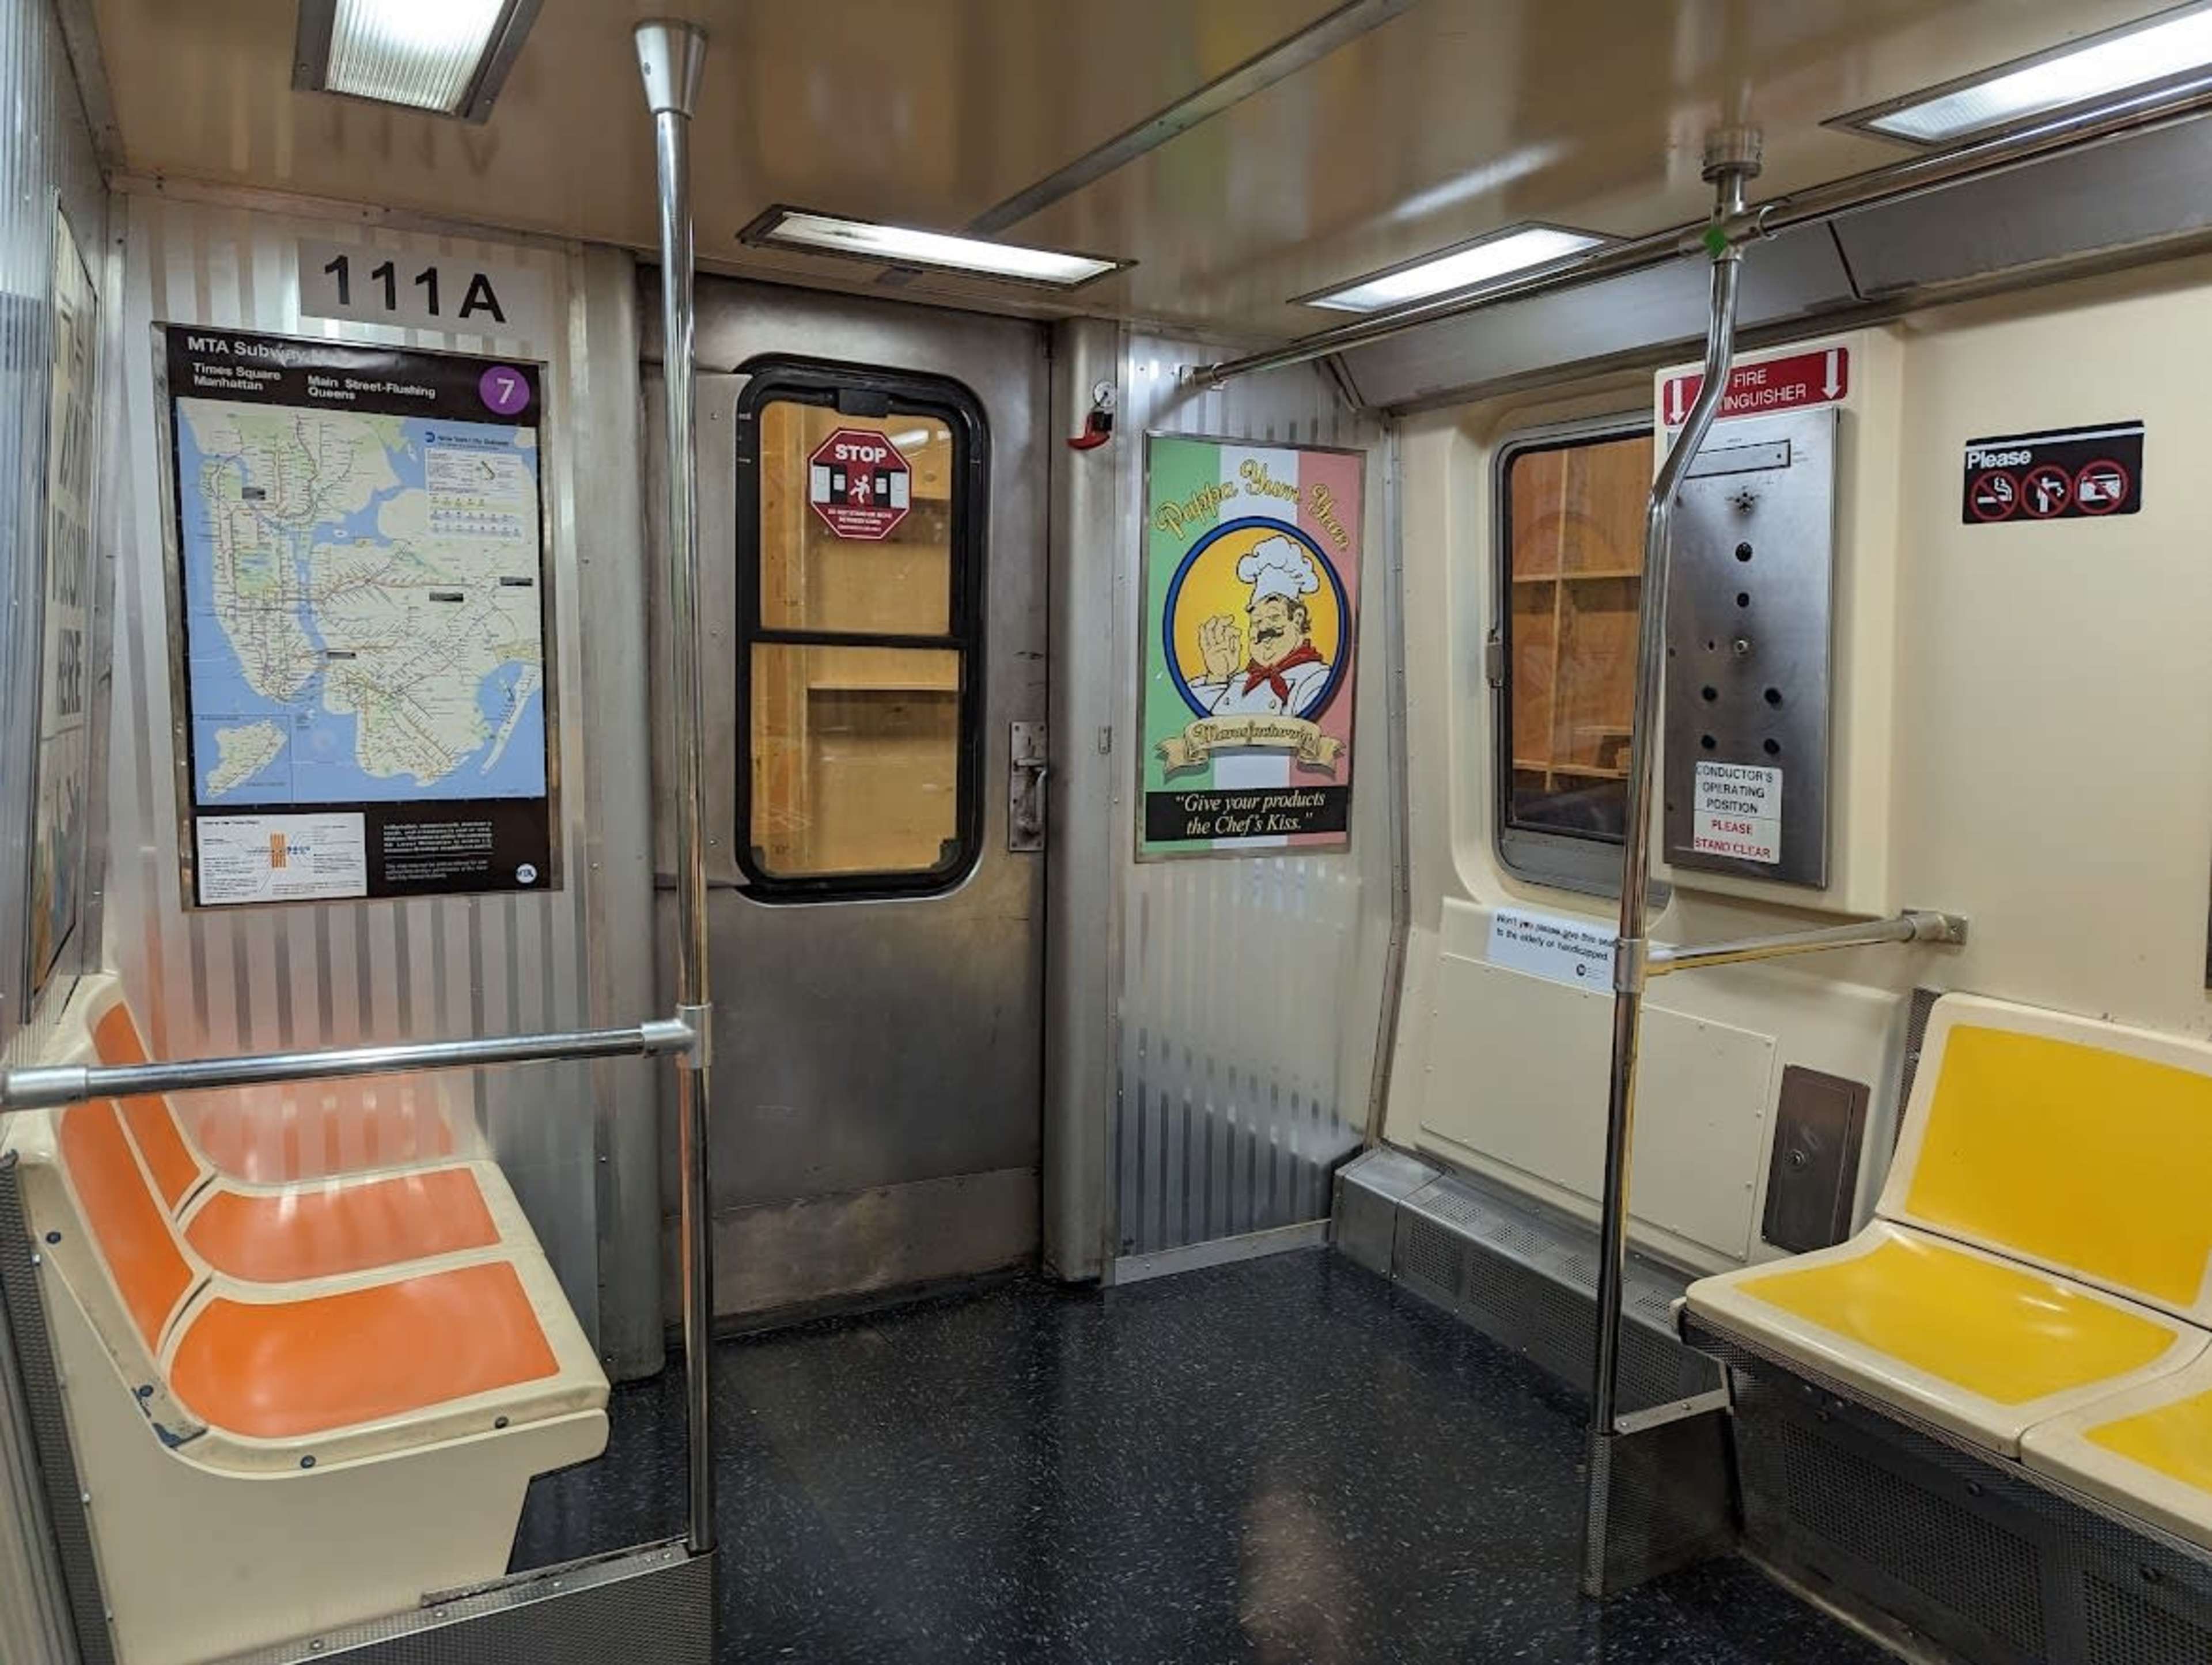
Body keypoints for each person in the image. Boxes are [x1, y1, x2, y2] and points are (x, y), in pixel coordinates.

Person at [1190, 535, 1332, 718]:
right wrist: (1217, 677)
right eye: (1256, 620)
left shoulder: (1316, 681)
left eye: (1273, 616)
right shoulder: (1240, 681)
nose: (1263, 629)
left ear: (1297, 619)